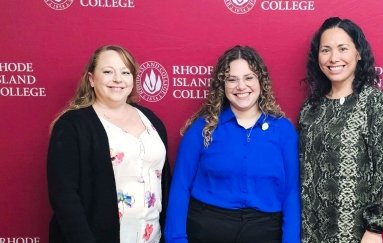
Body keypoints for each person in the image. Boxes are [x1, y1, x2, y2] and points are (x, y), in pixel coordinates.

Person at [165, 45, 300, 243]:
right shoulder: (202, 128)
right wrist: (176, 238)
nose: (241, 86)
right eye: (232, 79)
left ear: (260, 81)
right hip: (207, 229)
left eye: (248, 78)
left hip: (265, 231)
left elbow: (291, 192)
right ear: (223, 85)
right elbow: (180, 186)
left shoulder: (283, 130)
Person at [47, 45, 171, 243]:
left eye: (125, 72)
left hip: (150, 236)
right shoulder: (72, 124)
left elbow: (163, 181)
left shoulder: (151, 120)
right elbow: (64, 196)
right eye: (107, 72)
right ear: (91, 79)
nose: (118, 79)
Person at [298, 17, 383, 243]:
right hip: (310, 231)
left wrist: (375, 229)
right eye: (326, 50)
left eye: (342, 48)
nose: (333, 58)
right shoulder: (310, 108)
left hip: (356, 233)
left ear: (359, 53)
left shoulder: (375, 102)